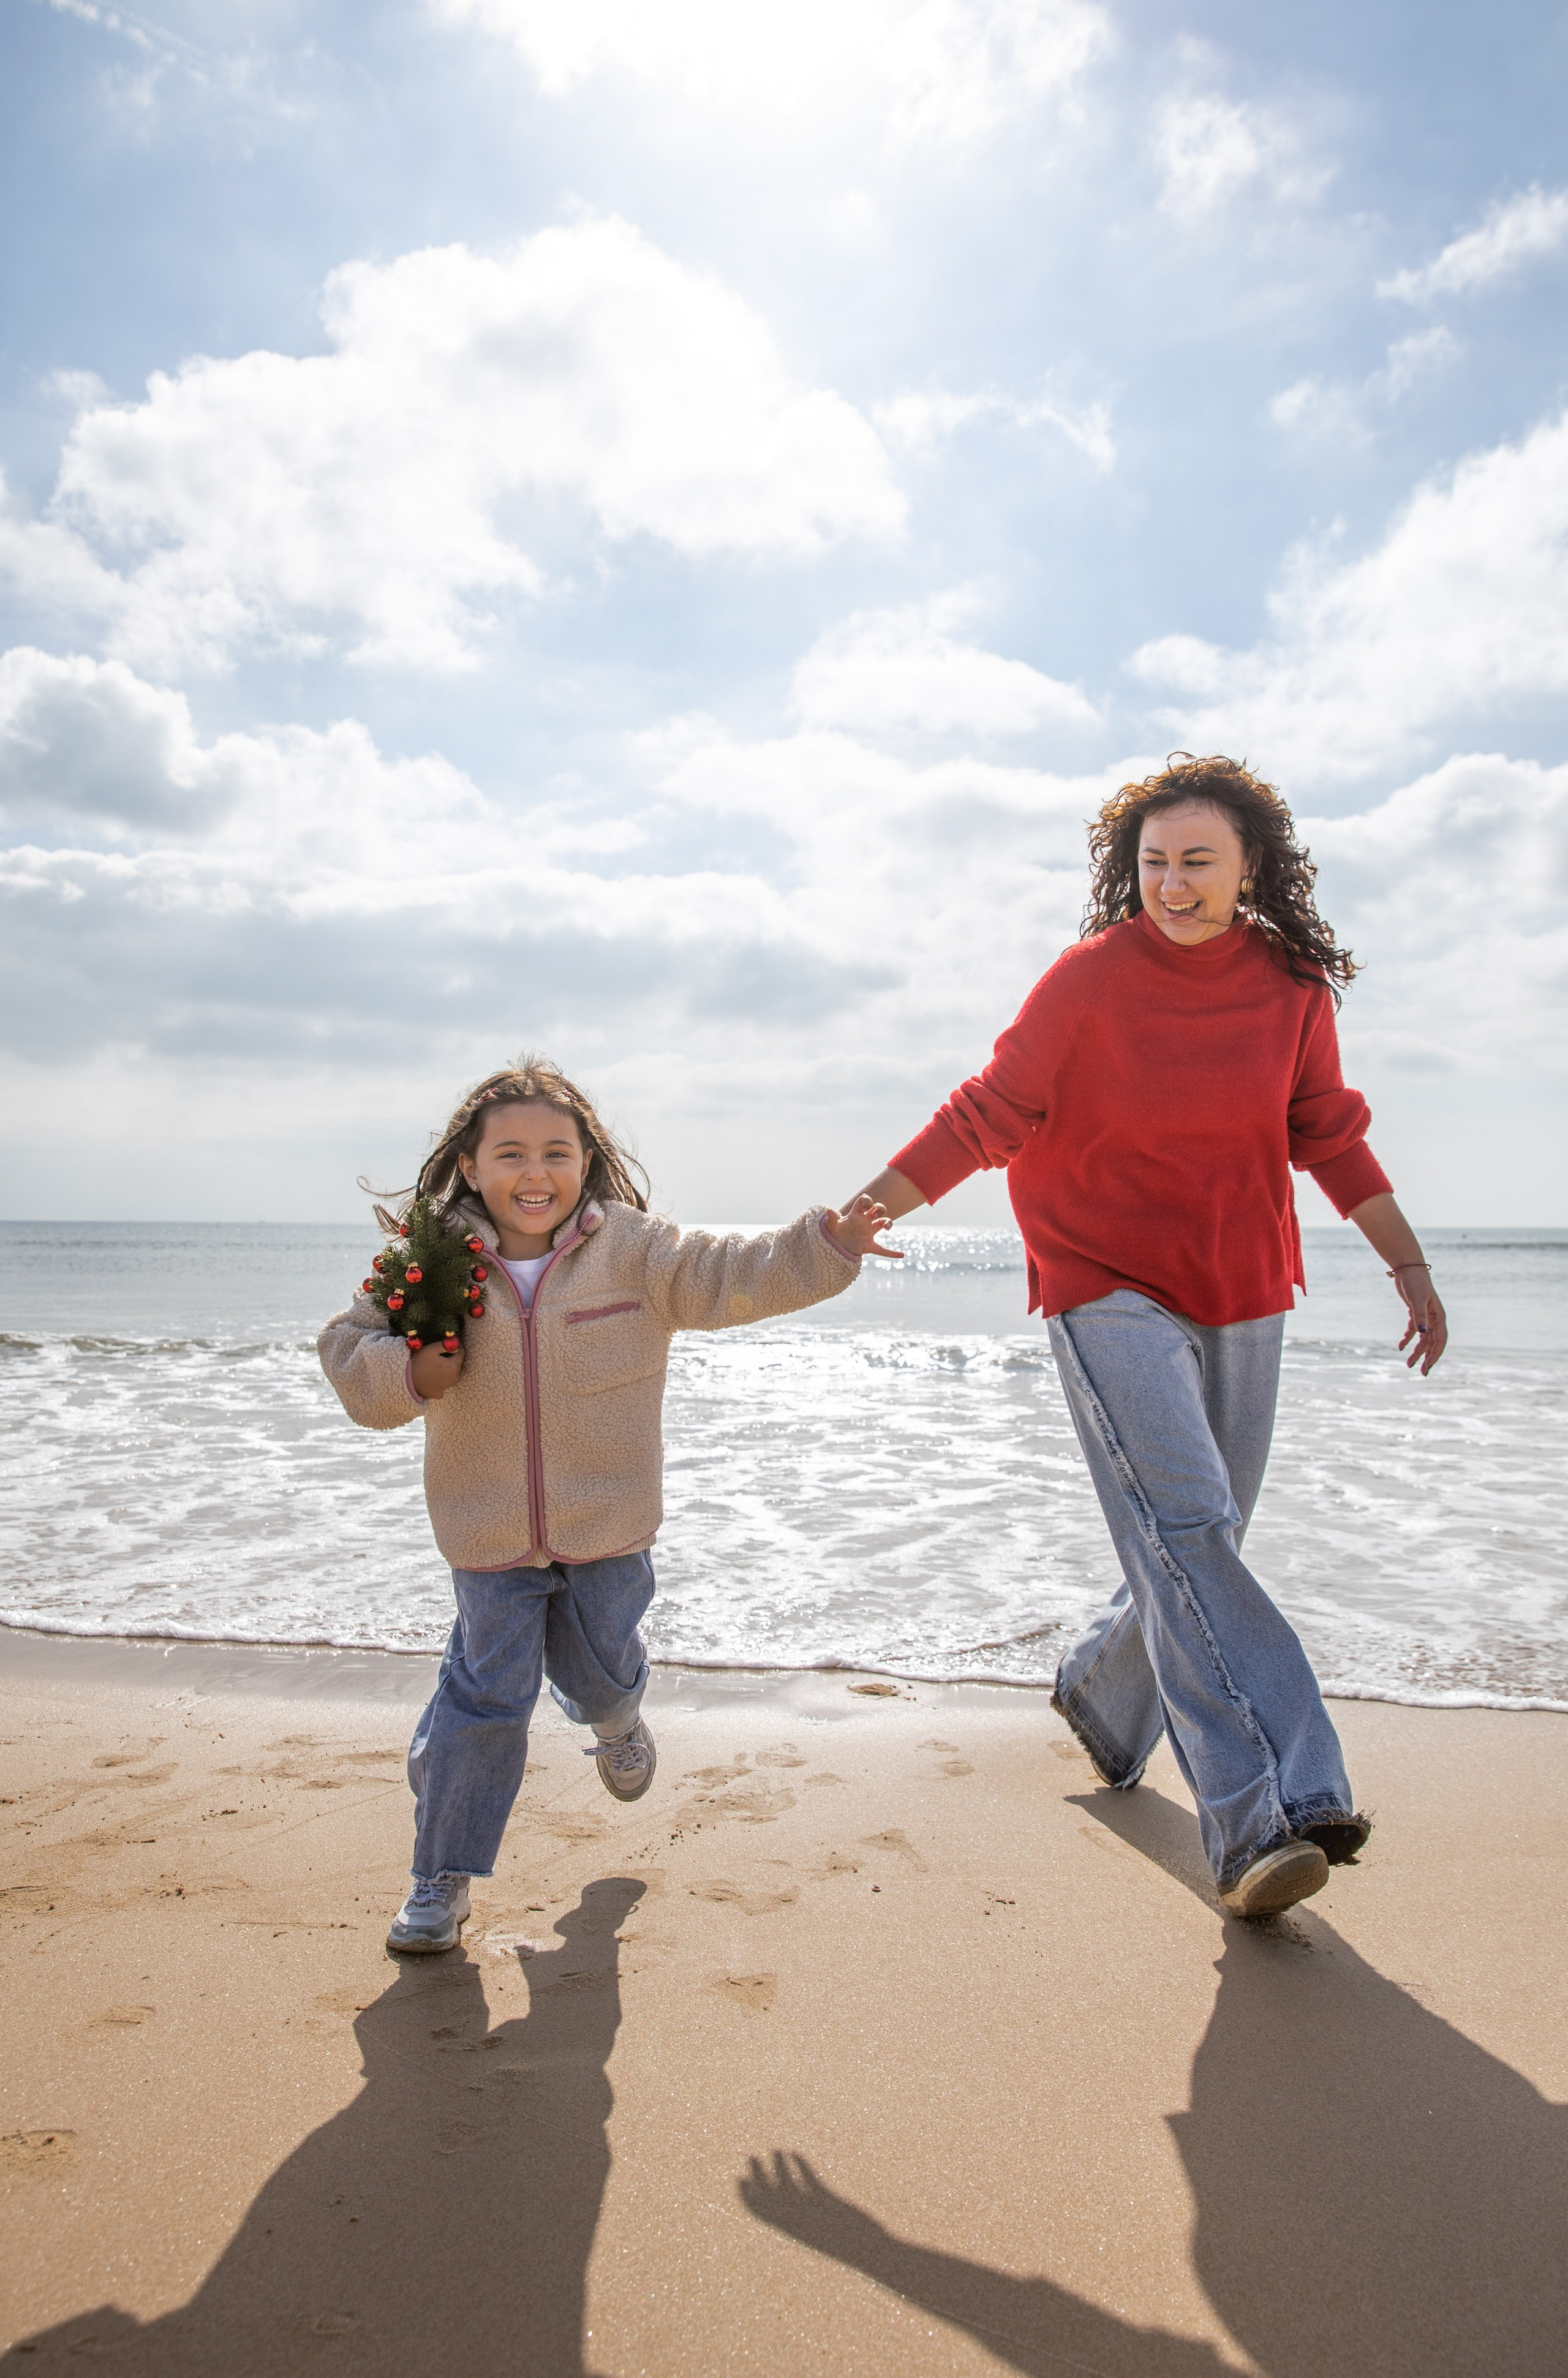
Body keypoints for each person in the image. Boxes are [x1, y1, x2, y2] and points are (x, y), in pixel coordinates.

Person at [853, 755, 1447, 1920]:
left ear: (1251, 868)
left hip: (1241, 1285)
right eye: (1153, 864)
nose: (1171, 885)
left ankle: (1101, 1689)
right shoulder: (1087, 979)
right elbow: (990, 1111)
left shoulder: (1292, 983)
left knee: (1199, 1542)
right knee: (1190, 1527)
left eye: (1197, 863)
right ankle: (1271, 1807)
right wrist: (875, 1201)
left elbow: (1326, 1132)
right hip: (1101, 1279)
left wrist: (1409, 1262)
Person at [320, 1057, 899, 1953]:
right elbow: (348, 1345)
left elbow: (733, 1274)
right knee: (489, 1697)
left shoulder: (634, 1250)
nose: (536, 1172)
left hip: (609, 1527)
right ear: (470, 1166)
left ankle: (619, 1718)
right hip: (486, 1534)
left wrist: (830, 1244)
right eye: (510, 1152)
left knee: (595, 1672)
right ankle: (441, 1878)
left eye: (558, 1151)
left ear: (587, 1162)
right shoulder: (431, 1256)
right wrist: (408, 1371)